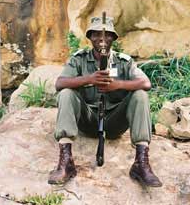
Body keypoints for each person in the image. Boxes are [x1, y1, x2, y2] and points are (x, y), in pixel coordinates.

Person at [48, 16, 162, 187]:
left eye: (107, 35)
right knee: (66, 93)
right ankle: (66, 162)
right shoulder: (79, 59)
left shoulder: (123, 62)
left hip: (115, 122)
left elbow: (146, 83)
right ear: (90, 37)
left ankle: (141, 162)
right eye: (96, 35)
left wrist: (118, 85)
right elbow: (60, 83)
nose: (102, 39)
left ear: (113, 38)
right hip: (87, 120)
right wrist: (89, 79)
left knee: (140, 95)